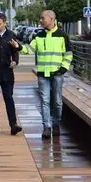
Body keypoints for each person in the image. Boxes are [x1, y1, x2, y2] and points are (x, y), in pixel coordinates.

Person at [17, 9, 73, 139]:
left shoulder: (62, 35)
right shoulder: (39, 35)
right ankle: (46, 127)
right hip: (43, 74)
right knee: (45, 101)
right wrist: (19, 47)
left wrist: (63, 68)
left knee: (58, 101)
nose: (40, 20)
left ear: (51, 19)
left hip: (57, 74)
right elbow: (29, 49)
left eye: (43, 18)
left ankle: (56, 123)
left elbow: (69, 54)